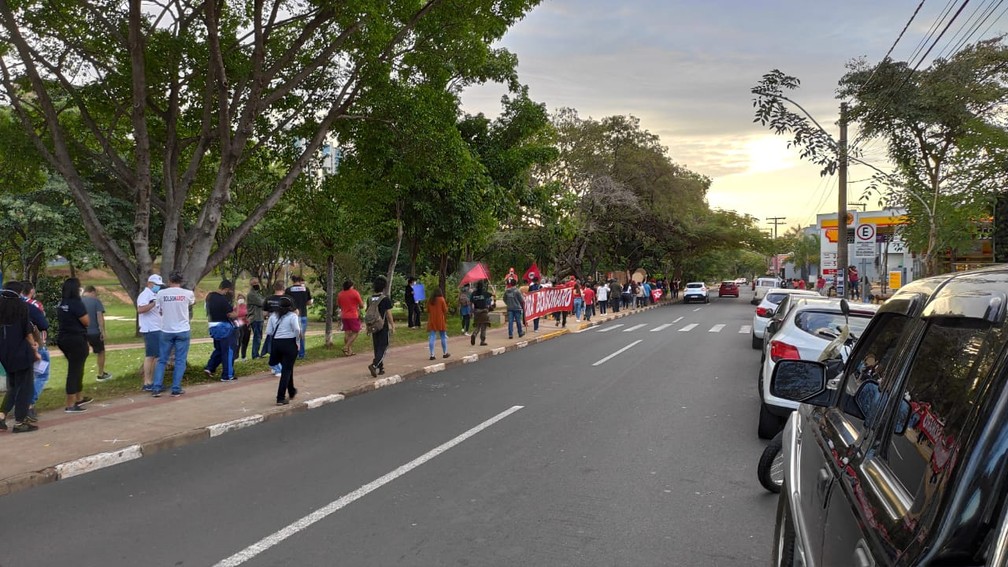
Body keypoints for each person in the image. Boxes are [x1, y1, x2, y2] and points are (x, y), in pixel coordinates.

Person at [0, 286, 41, 432]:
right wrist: (34, 347)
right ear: (18, 292)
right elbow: (27, 331)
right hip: (21, 352)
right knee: (25, 387)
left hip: (4, 353)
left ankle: (1, 416)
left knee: (14, 386)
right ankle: (19, 422)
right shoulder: (21, 306)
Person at [151, 272, 195, 397]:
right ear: (181, 281)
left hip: (166, 330)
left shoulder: (161, 293)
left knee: (162, 360)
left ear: (169, 280)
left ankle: (156, 387)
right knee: (180, 360)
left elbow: (159, 310)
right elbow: (191, 303)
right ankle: (176, 388)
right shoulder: (188, 294)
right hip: (182, 330)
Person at [57, 277, 92, 413]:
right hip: (76, 339)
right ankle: (71, 404)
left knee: (77, 368)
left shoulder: (62, 303)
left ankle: (78, 398)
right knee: (74, 371)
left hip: (64, 338)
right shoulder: (76, 303)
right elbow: (86, 321)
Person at [266, 295, 300, 405]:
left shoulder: (273, 316)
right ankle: (280, 397)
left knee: (287, 368)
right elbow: (297, 330)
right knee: (286, 370)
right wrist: (298, 342)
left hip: (276, 344)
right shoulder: (292, 316)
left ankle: (291, 391)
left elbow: (269, 332)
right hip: (289, 343)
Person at [204, 279, 238, 382]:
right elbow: (231, 314)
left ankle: (210, 367)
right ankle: (227, 375)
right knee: (228, 351)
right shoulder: (222, 300)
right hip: (224, 326)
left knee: (219, 349)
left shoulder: (209, 297)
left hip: (212, 325)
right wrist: (238, 313)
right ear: (227, 289)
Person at [136, 274, 163, 391]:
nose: (158, 287)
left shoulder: (154, 294)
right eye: (156, 285)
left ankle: (152, 380)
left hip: (157, 328)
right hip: (151, 329)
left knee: (156, 356)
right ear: (150, 284)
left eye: (159, 285)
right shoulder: (145, 295)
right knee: (151, 356)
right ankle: (148, 382)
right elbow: (140, 309)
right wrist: (153, 303)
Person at [81, 286, 111, 381]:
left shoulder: (78, 302)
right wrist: (102, 331)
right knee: (100, 351)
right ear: (92, 292)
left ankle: (78, 374)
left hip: (81, 333)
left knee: (81, 354)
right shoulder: (96, 301)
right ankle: (101, 373)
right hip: (94, 332)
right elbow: (99, 317)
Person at [366, 276, 394, 377]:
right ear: (384, 287)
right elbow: (388, 314)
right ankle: (374, 365)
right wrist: (392, 325)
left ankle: (380, 367)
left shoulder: (370, 299)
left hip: (373, 325)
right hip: (382, 326)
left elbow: (368, 313)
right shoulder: (385, 299)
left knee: (377, 346)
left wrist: (367, 327)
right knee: (384, 346)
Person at [262, 281, 288, 377]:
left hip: (273, 325)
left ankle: (275, 366)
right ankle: (277, 367)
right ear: (283, 288)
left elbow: (264, 313)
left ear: (274, 288)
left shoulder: (269, 299)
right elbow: (294, 311)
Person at [285, 275, 312, 359]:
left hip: (292, 316)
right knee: (301, 335)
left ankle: (293, 353)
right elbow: (309, 302)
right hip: (303, 314)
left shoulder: (288, 290)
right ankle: (301, 354)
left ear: (292, 281)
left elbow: (286, 303)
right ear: (300, 280)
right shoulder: (305, 289)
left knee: (292, 335)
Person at [337, 280, 364, 356]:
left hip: (344, 315)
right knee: (356, 331)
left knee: (347, 333)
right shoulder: (355, 292)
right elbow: (361, 305)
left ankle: (349, 351)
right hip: (353, 315)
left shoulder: (340, 294)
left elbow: (339, 305)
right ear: (351, 286)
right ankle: (346, 347)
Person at [427, 287, 450, 359]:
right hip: (440, 320)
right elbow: (445, 310)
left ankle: (432, 355)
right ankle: (445, 353)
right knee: (443, 336)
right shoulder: (441, 299)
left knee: (432, 337)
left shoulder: (430, 300)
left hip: (432, 320)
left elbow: (428, 310)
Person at [247, 278, 265, 359]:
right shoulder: (251, 294)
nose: (257, 284)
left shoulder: (257, 293)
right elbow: (262, 302)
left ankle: (256, 353)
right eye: (254, 283)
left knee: (259, 336)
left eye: (257, 282)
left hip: (260, 317)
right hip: (255, 318)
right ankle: (255, 355)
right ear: (251, 284)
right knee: (257, 336)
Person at [470, 280, 492, 346]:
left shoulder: (473, 293)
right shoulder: (484, 293)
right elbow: (492, 295)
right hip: (484, 312)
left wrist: (471, 311)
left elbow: (471, 302)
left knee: (477, 325)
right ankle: (482, 341)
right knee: (483, 327)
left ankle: (474, 334)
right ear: (482, 286)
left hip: (476, 311)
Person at [235, 293, 251, 360]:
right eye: (239, 298)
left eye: (242, 298)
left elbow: (250, 315)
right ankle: (236, 356)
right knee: (239, 340)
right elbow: (234, 316)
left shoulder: (247, 307)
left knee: (245, 340)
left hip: (246, 325)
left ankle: (243, 356)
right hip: (239, 325)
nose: (240, 299)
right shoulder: (235, 308)